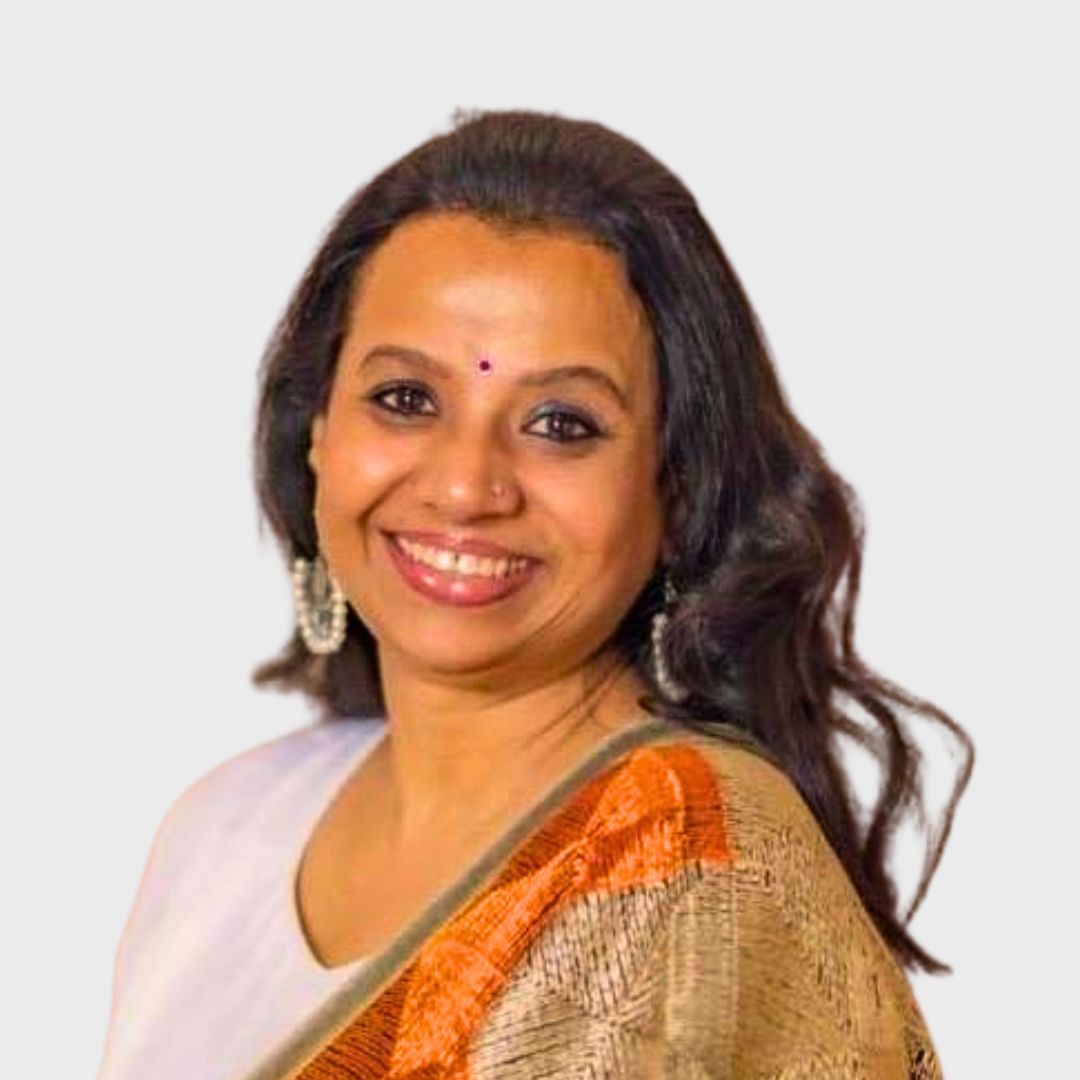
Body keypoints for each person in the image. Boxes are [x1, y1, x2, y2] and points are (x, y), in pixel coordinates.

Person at [96, 108, 973, 1079]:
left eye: (561, 423)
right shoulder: (224, 831)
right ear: (318, 434)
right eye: (405, 399)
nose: (466, 487)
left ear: (677, 491)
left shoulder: (692, 863)